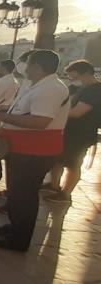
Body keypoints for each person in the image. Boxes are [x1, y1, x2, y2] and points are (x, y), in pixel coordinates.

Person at [0, 49, 70, 252]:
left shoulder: (51, 89)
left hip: (35, 152)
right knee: (17, 193)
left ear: (37, 67)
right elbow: (24, 111)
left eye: (27, 63)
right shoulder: (38, 85)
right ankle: (13, 228)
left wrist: (1, 118)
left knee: (24, 196)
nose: (24, 67)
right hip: (22, 148)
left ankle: (19, 239)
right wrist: (3, 113)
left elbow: (40, 121)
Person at [43, 60, 101, 203]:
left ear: (85, 73)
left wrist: (54, 111)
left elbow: (77, 112)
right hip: (68, 131)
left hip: (81, 134)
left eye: (73, 75)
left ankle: (65, 194)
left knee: (73, 164)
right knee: (57, 159)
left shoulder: (94, 90)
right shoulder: (82, 88)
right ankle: (54, 185)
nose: (71, 78)